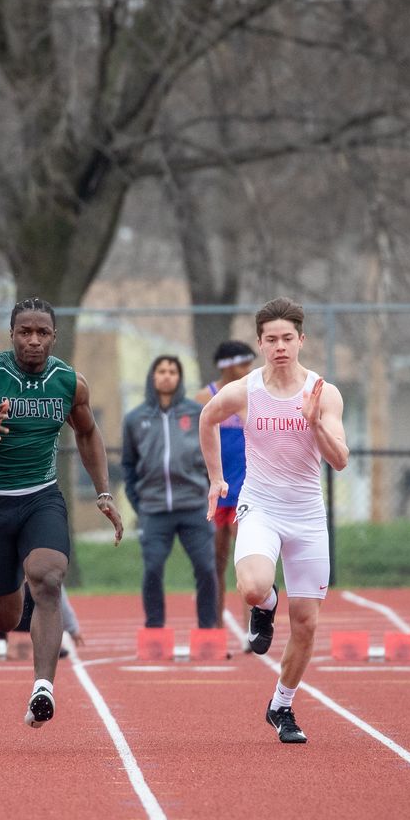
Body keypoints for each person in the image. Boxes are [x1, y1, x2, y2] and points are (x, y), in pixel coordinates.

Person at [0, 297, 123, 728]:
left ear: (54, 337)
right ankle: (19, 575)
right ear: (12, 334)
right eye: (26, 332)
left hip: (42, 497)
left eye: (42, 333)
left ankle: (44, 686)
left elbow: (88, 432)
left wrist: (104, 493)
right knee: (4, 617)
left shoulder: (69, 382)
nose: (34, 340)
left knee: (49, 578)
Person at [198, 299, 349, 744]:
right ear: (260, 344)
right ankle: (264, 607)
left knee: (306, 623)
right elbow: (208, 417)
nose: (280, 347)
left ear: (301, 340)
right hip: (260, 506)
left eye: (288, 338)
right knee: (251, 587)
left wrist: (315, 425)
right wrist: (215, 478)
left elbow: (339, 460)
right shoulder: (245, 390)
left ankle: (282, 705)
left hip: (306, 515)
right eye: (271, 340)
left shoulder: (325, 393)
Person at [122, 354, 218, 632]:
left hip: (193, 507)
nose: (166, 376)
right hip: (153, 510)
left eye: (172, 371)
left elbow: (211, 456)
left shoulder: (196, 413)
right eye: (161, 371)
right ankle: (154, 629)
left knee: (205, 568)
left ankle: (208, 629)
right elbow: (128, 466)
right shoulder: (135, 418)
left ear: (179, 378)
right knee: (152, 569)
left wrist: (206, 489)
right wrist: (139, 503)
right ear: (153, 376)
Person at [195, 340, 254, 622]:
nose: (249, 369)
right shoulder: (203, 398)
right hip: (216, 491)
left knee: (246, 562)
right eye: (243, 363)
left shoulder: (253, 395)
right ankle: (215, 627)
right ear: (226, 365)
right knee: (214, 563)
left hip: (246, 491)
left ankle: (250, 628)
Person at [0, 534, 86, 658]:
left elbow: (52, 586)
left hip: (18, 612)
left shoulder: (25, 542)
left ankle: (43, 641)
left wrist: (72, 627)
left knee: (38, 575)